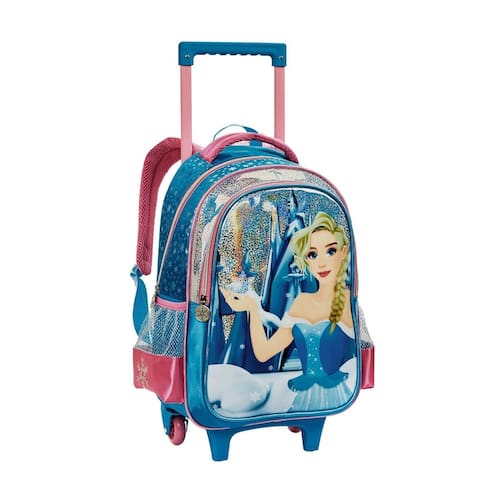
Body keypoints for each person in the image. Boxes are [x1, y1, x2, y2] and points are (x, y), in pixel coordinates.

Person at [221, 211, 356, 411]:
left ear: (343, 252)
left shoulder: (347, 300)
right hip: (303, 394)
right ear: (306, 260)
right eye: (312, 254)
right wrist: (253, 307)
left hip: (337, 391)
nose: (321, 262)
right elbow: (264, 352)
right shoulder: (302, 302)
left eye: (330, 251)